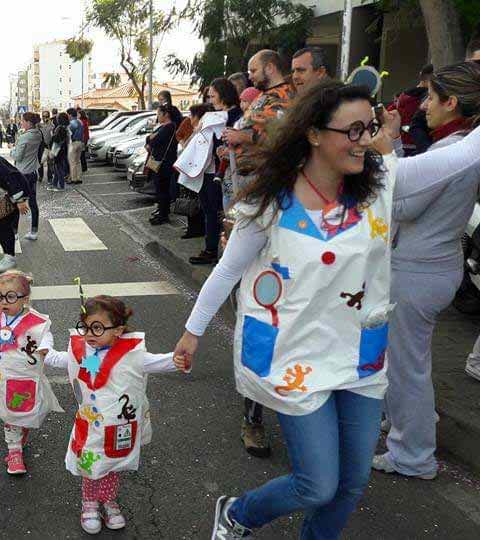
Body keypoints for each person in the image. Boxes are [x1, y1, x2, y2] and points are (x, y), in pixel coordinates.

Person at [175, 80, 480, 540]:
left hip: (359, 355)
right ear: (315, 134)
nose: (366, 140)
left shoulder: (381, 181)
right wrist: (192, 331)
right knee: (317, 484)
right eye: (353, 131)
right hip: (294, 355)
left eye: (370, 128)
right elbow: (226, 271)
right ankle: (238, 513)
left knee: (351, 482)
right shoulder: (269, 203)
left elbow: (461, 156)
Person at [376, 61, 480, 481]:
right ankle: (405, 427)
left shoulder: (455, 149)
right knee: (408, 363)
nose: (422, 105)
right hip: (430, 267)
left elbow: (402, 204)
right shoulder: (456, 145)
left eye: (430, 97)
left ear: (452, 102)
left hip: (419, 270)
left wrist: (387, 149)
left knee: (407, 368)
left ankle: (413, 455)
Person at [44, 295, 183, 534]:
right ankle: (89, 503)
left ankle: (108, 500)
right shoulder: (81, 351)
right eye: (86, 327)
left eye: (97, 328)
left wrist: (179, 359)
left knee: (112, 465)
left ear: (118, 330)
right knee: (90, 465)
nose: (89, 333)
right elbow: (59, 359)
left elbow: (156, 362)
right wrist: (41, 351)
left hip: (118, 426)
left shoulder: (132, 354)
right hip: (90, 426)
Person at [220, 49, 295, 457]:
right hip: (251, 203)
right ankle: (253, 415)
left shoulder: (287, 100)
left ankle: (274, 409)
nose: (248, 77)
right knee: (253, 308)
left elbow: (274, 136)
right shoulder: (265, 99)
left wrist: (242, 138)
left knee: (272, 315)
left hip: (275, 209)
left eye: (253, 69)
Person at [0, 270, 62, 475]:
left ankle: (19, 434)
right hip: (1, 378)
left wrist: (47, 350)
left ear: (25, 299)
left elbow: (46, 339)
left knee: (21, 414)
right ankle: (14, 451)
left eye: (11, 297)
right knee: (10, 416)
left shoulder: (37, 323)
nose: (4, 302)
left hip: (24, 381)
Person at [191, 77, 242, 266]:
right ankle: (211, 248)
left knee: (225, 212)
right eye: (209, 97)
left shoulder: (237, 115)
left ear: (224, 94)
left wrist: (226, 151)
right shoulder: (212, 115)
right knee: (209, 210)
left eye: (213, 96)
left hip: (229, 172)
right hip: (209, 169)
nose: (210, 100)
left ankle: (221, 252)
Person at [146, 104, 182, 226]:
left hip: (163, 163)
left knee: (162, 189)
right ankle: (162, 212)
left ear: (166, 115)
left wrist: (150, 139)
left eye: (159, 114)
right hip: (164, 161)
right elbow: (149, 139)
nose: (157, 117)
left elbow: (153, 141)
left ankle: (163, 215)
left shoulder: (168, 127)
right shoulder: (166, 127)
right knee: (162, 189)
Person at [10, 111, 43, 240]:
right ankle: (34, 232)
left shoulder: (24, 137)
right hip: (32, 172)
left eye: (23, 121)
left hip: (21, 175)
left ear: (29, 123)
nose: (21, 123)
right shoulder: (38, 134)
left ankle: (14, 232)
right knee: (33, 203)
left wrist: (12, 149)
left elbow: (17, 156)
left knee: (15, 202)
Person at [50, 112, 70, 191]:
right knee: (57, 167)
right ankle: (54, 184)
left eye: (58, 118)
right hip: (63, 149)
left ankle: (61, 186)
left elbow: (56, 139)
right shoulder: (65, 127)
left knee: (58, 168)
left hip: (58, 149)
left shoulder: (60, 128)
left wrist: (52, 135)